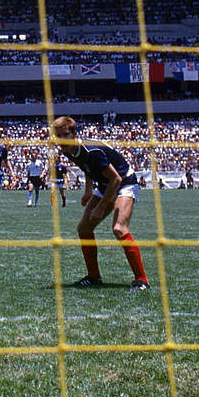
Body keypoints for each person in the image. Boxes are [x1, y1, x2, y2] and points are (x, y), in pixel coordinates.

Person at [51, 115, 149, 291]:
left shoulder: (91, 150)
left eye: (65, 134)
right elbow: (87, 168)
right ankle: (94, 277)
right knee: (84, 229)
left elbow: (116, 179)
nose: (61, 140)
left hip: (124, 182)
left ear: (74, 133)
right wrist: (88, 191)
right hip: (106, 184)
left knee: (119, 228)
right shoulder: (67, 149)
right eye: (57, 135)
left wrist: (101, 206)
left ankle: (142, 280)